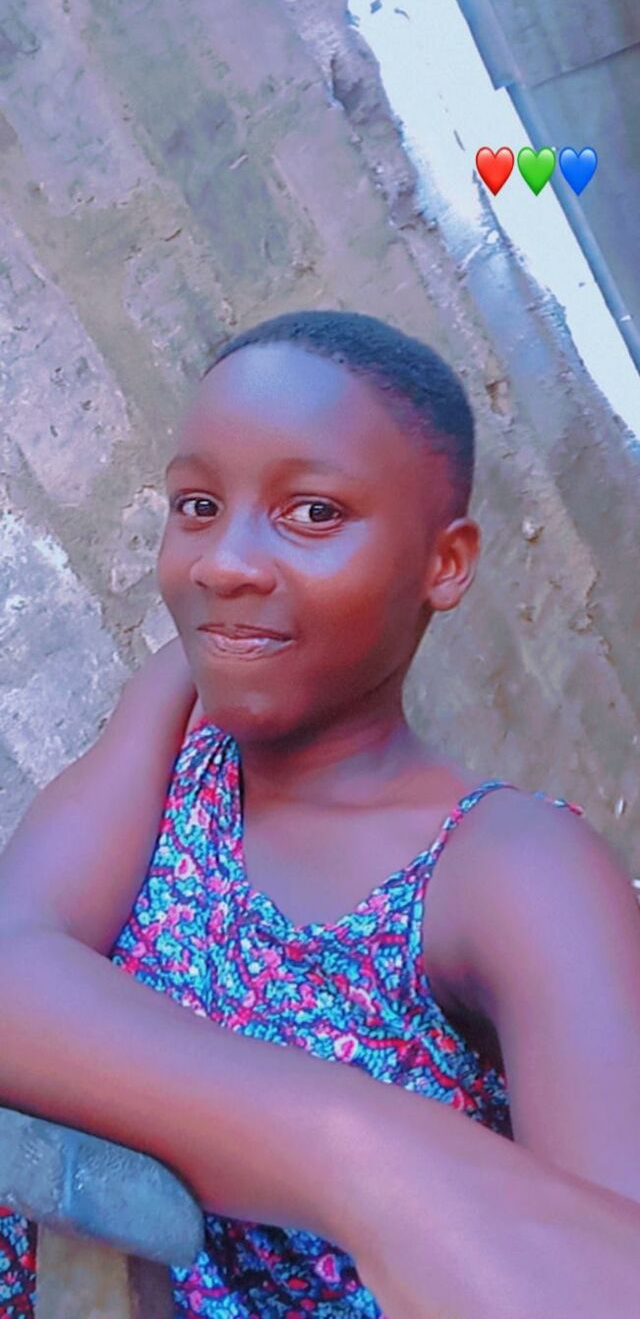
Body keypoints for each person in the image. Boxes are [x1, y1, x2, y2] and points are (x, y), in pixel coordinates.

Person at [0, 309, 639, 1319]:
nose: (223, 563)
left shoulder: (511, 867)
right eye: (198, 504)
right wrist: (365, 1157)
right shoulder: (180, 722)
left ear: (445, 562)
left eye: (311, 512)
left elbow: (599, 1273)